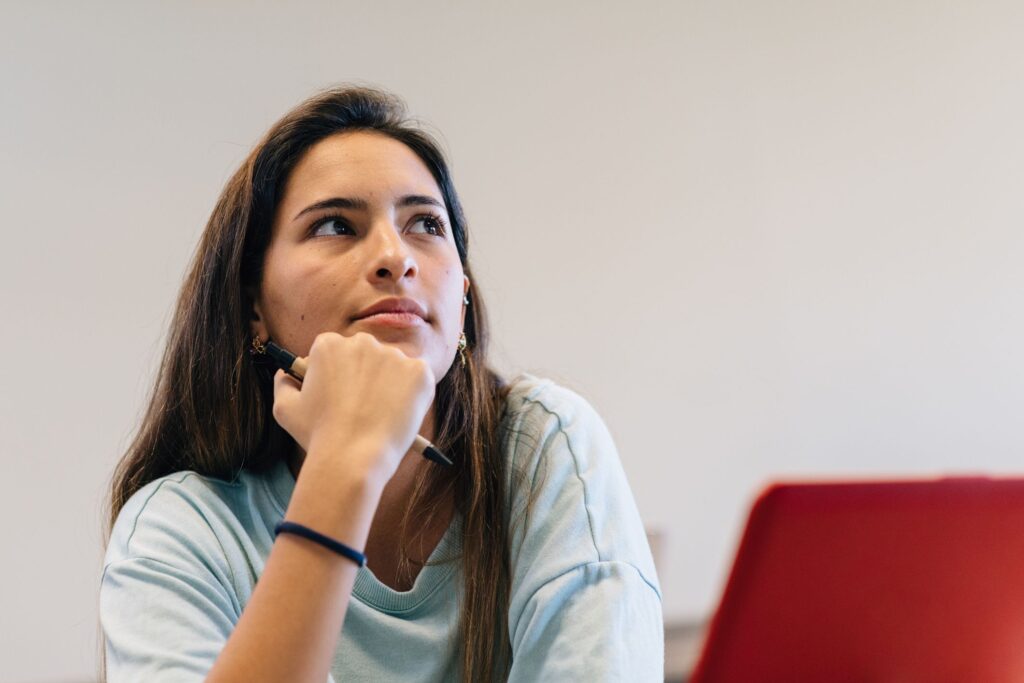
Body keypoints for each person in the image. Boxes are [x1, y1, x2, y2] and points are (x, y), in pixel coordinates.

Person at [100, 85, 663, 682]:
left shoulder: (543, 444)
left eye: (425, 223)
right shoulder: (179, 532)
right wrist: (345, 464)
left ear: (463, 294)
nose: (396, 257)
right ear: (252, 308)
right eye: (336, 225)